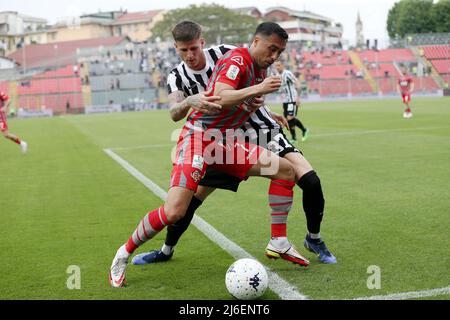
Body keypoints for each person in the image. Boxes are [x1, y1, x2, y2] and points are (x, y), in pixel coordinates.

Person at [109, 22, 309, 288]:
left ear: (202, 43)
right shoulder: (234, 59)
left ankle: (279, 241)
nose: (274, 56)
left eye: (279, 52)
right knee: (175, 210)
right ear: (257, 42)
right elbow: (220, 96)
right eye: (271, 49)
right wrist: (252, 92)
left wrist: (261, 110)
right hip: (198, 138)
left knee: (285, 170)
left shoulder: (246, 63)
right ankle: (123, 254)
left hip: (226, 142)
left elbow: (238, 100)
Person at [274, 61, 309, 143]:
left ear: (282, 65)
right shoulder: (278, 76)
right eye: (276, 66)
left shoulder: (287, 73)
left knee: (290, 118)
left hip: (292, 99)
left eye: (279, 65)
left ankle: (297, 135)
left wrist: (298, 98)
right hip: (285, 101)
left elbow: (298, 84)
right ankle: (301, 132)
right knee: (288, 119)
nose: (277, 67)